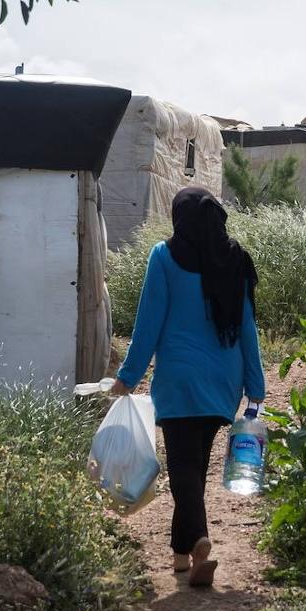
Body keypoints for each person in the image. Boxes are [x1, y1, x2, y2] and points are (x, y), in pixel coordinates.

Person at [111, 186, 265, 587]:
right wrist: (256, 384)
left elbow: (149, 323)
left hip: (178, 378)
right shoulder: (234, 259)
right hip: (223, 380)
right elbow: (247, 326)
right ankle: (184, 559)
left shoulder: (164, 257)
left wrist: (128, 377)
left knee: (183, 464)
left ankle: (198, 537)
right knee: (194, 465)